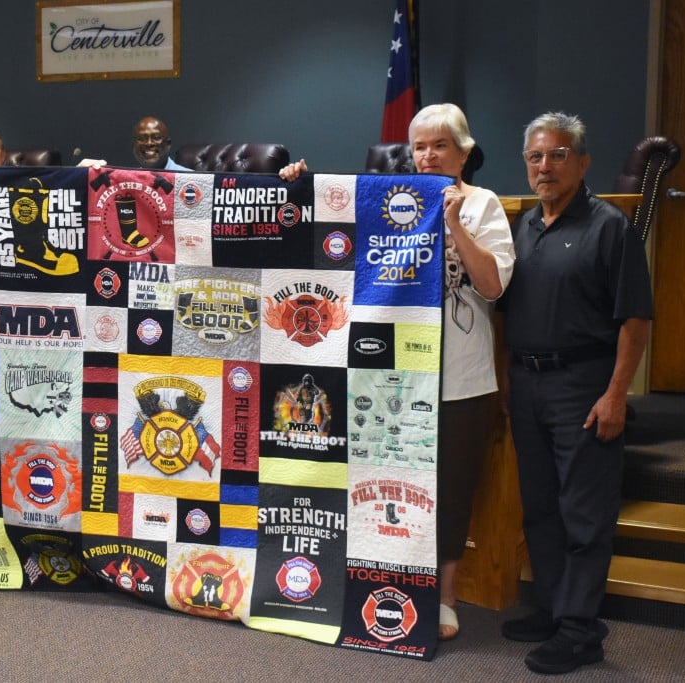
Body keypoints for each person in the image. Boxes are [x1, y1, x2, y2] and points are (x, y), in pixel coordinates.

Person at [278, 103, 515, 642]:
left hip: (460, 377)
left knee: (450, 489)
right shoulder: (389, 199)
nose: (428, 156)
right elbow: (330, 235)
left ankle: (445, 597)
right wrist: (299, 187)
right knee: (382, 483)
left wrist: (452, 223)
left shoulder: (482, 203)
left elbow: (492, 285)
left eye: (441, 146)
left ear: (464, 153)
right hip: (386, 372)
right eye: (420, 146)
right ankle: (382, 579)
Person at [500, 112, 653, 675]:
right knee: (541, 508)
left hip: (584, 386)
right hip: (528, 384)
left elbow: (635, 320)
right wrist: (509, 383)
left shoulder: (609, 227)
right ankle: (552, 608)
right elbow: (507, 312)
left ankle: (581, 630)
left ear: (582, 162)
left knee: (584, 513)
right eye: (536, 156)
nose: (546, 166)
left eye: (559, 155)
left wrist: (616, 395)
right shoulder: (523, 227)